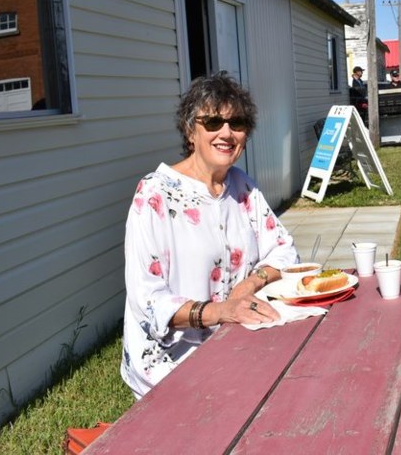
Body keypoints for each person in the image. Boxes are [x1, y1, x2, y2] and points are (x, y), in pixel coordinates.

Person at [121, 72, 300, 399]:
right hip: (172, 366)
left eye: (238, 123)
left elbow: (285, 251)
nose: (226, 133)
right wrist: (221, 311)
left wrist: (250, 284)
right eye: (213, 122)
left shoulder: (241, 185)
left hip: (239, 343)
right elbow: (147, 300)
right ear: (191, 131)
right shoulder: (155, 195)